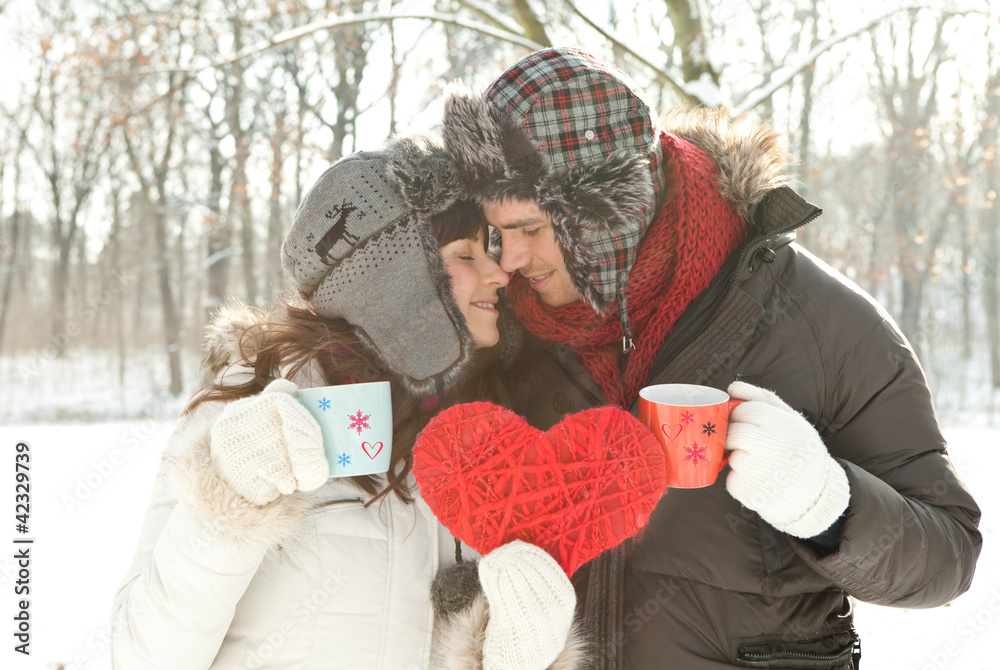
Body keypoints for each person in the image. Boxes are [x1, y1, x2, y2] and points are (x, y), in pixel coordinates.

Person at [440, 47, 982, 669]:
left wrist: (827, 504)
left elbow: (948, 557)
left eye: (531, 230)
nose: (507, 260)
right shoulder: (500, 332)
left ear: (608, 218)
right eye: (494, 232)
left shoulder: (820, 324)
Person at [109, 140, 585, 670]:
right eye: (467, 255)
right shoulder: (254, 403)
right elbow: (142, 656)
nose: (499, 274)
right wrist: (229, 502)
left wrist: (515, 652)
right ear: (397, 281)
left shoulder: (487, 432)